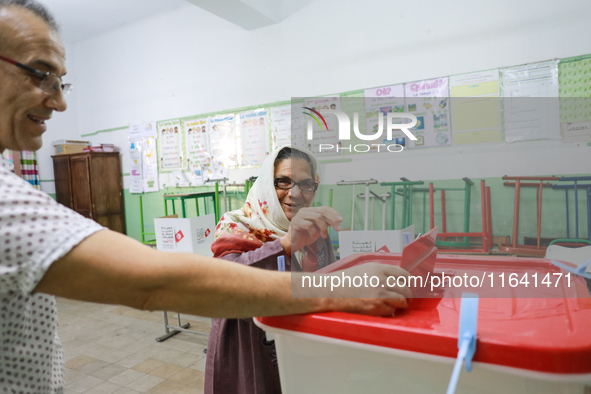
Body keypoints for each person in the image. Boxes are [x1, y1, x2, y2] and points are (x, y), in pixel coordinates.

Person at [0, 1, 411, 393]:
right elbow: (154, 283)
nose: (59, 100)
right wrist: (333, 284)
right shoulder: (8, 202)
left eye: (60, 81)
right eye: (40, 74)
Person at [205, 146, 337, 394]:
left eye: (305, 184)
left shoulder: (310, 225)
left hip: (298, 345)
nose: (294, 194)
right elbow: (226, 281)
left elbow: (323, 279)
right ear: (266, 181)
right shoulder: (237, 225)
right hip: (248, 346)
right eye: (283, 182)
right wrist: (284, 245)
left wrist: (317, 243)